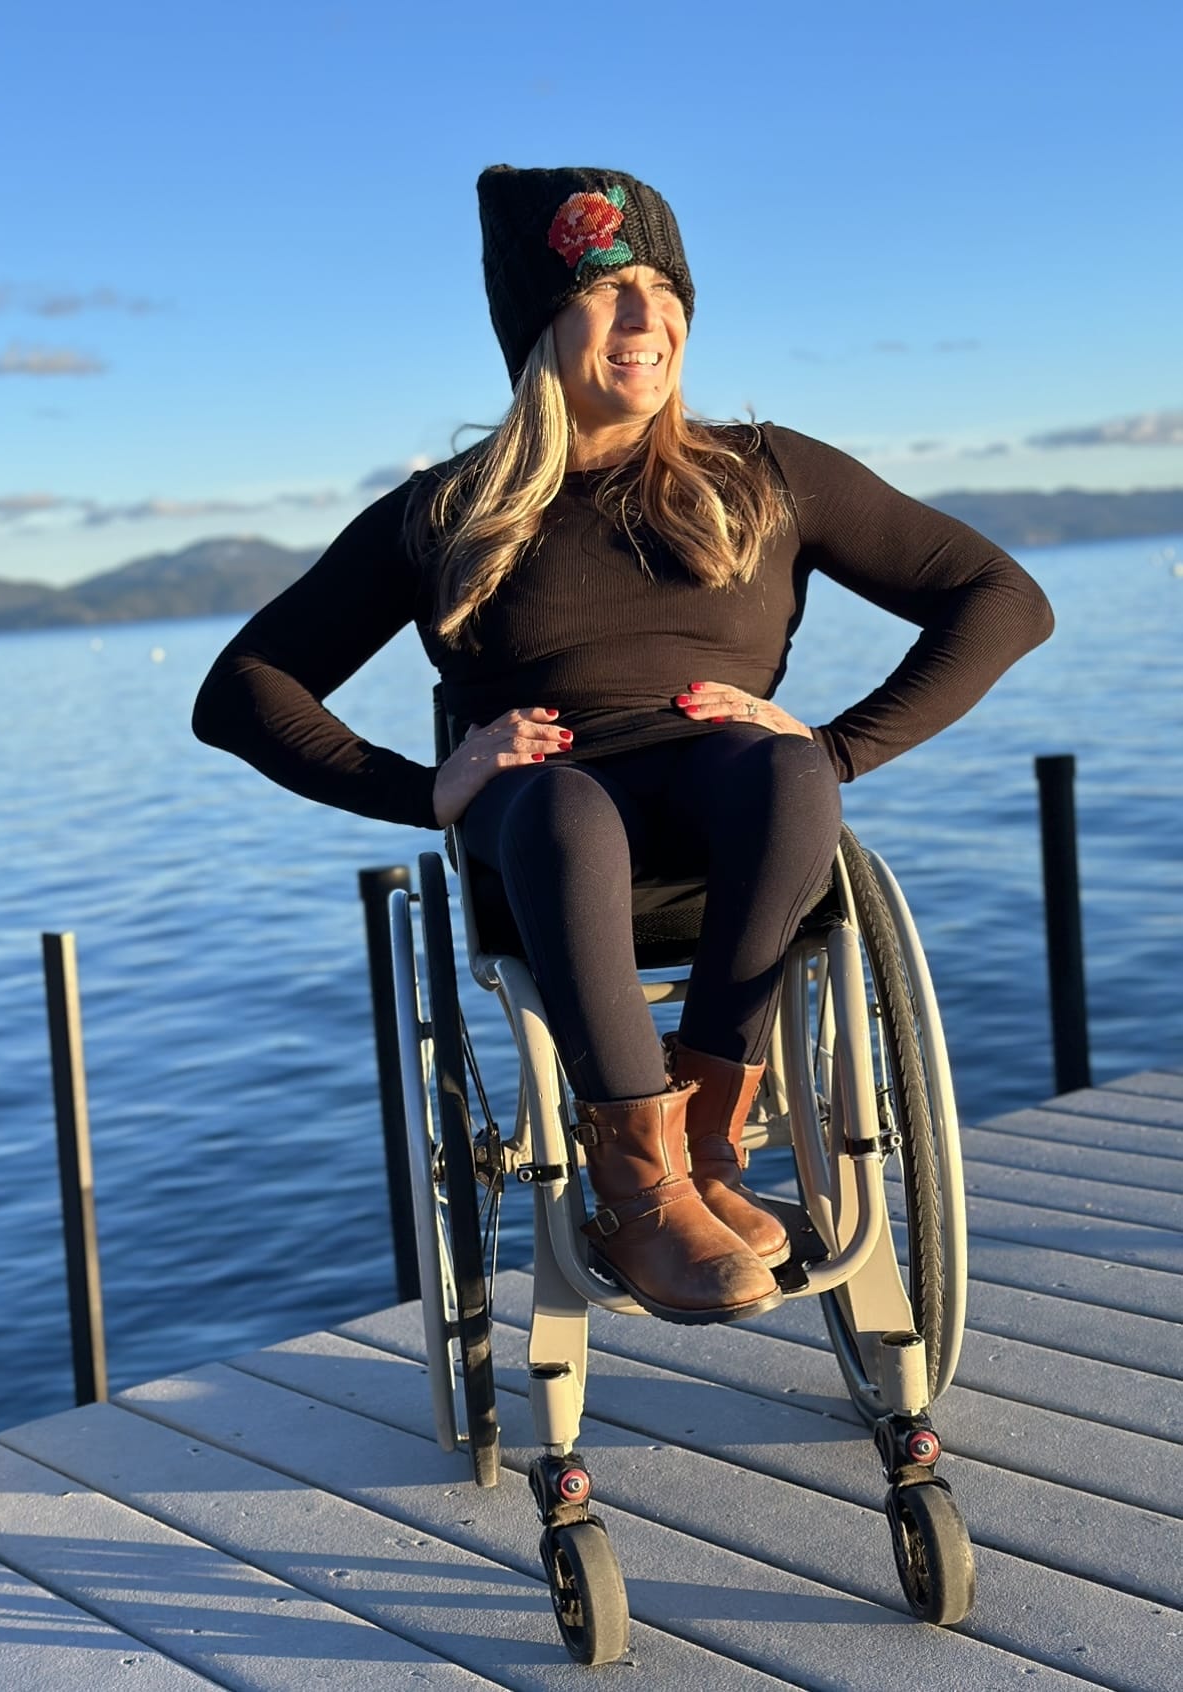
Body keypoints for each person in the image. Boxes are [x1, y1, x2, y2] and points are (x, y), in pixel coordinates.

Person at [193, 163, 1053, 1327]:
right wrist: (425, 789)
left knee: (792, 771)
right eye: (609, 293)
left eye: (668, 290)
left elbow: (999, 596)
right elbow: (243, 687)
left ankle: (710, 1150)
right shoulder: (446, 510)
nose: (650, 320)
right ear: (539, 324)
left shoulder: (767, 469)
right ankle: (637, 1185)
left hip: (728, 808)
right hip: (541, 816)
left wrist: (844, 745)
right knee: (563, 807)